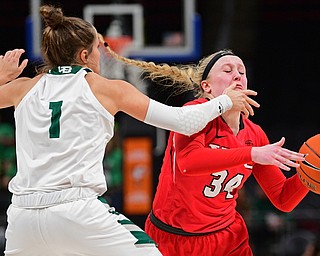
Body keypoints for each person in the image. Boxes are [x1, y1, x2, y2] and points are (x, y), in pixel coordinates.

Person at [0, 5, 260, 256]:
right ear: (84, 56)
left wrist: (1, 78)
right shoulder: (105, 88)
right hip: (77, 209)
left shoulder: (22, 88)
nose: (101, 56)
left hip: (23, 216)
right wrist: (226, 100)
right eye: (97, 49)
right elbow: (183, 121)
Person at [118, 49, 308, 256]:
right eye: (227, 70)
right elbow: (188, 162)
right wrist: (251, 154)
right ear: (206, 87)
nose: (237, 75)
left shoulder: (255, 134)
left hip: (227, 237)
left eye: (241, 72)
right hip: (174, 238)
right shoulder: (193, 114)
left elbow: (283, 199)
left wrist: (310, 175)